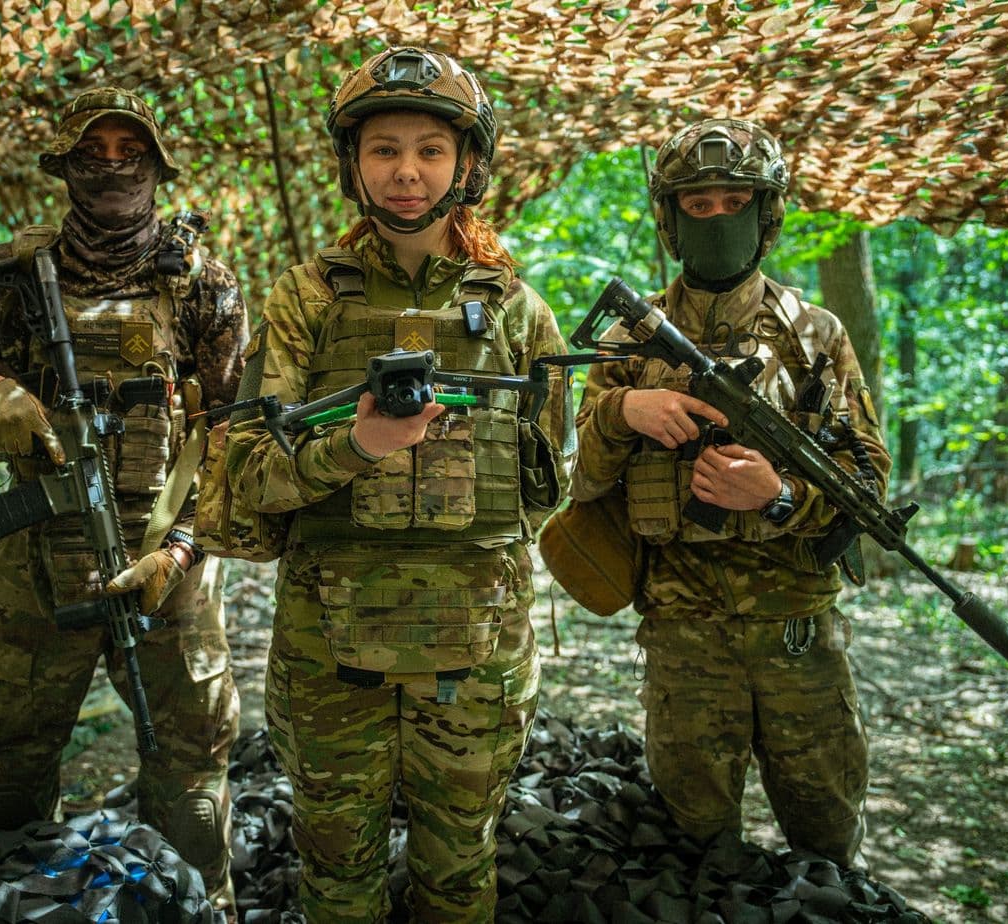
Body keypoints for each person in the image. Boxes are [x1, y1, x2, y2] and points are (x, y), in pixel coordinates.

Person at [223, 46, 573, 923]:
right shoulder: (304, 300)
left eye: (430, 149)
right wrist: (358, 445)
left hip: (476, 648)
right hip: (329, 648)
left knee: (458, 869)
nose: (407, 172)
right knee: (337, 872)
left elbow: (548, 487)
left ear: (467, 164)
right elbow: (251, 474)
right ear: (353, 163)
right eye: (384, 149)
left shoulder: (518, 310)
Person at [0, 86, 247, 917]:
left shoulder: (204, 286)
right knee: (9, 775)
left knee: (191, 787)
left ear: (157, 166)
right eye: (92, 153)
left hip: (167, 563)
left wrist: (179, 549)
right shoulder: (3, 276)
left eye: (129, 152)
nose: (112, 167)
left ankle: (196, 909)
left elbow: (233, 441)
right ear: (65, 166)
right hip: (36, 551)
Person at [569, 118, 891, 867]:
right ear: (671, 218)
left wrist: (778, 495)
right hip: (682, 637)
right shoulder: (628, 342)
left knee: (828, 843)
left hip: (797, 633)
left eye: (735, 201)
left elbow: (870, 484)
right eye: (698, 203)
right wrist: (624, 411)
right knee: (693, 849)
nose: (717, 217)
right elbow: (578, 481)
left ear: (766, 213)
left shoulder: (813, 336)